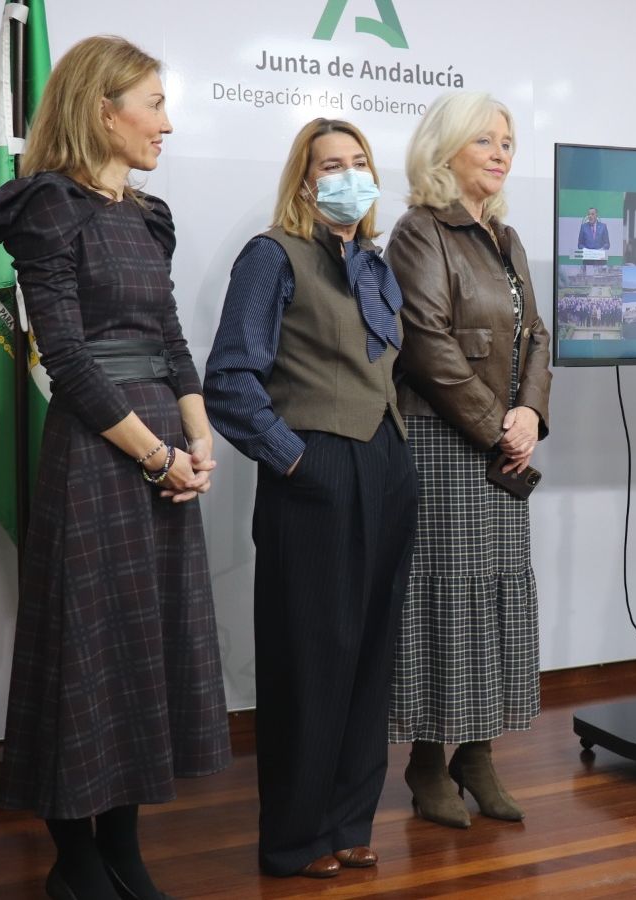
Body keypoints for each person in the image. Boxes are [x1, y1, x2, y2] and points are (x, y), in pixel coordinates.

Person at [0, 36, 229, 900]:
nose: (167, 123)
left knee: (142, 648)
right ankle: (74, 857)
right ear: (101, 109)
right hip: (98, 451)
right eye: (154, 104)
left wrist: (199, 441)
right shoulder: (49, 206)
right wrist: (157, 455)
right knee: (83, 646)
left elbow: (172, 341)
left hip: (163, 449)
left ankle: (122, 846)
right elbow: (68, 360)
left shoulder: (147, 216)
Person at [203, 118, 417, 878]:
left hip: (386, 464)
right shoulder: (272, 255)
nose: (349, 175)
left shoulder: (374, 263)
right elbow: (230, 378)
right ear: (304, 181)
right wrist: (294, 459)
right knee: (310, 657)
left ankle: (349, 822)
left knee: (369, 655)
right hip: (319, 467)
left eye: (359, 162)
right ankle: (295, 838)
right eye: (331, 165)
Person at [385, 91, 553, 828]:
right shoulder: (418, 230)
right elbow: (426, 345)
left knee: (494, 594)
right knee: (444, 599)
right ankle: (427, 760)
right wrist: (498, 427)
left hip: (501, 442)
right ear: (444, 148)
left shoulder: (505, 237)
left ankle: (476, 755)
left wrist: (531, 414)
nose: (500, 153)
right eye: (484, 140)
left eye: (507, 142)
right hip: (442, 441)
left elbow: (537, 336)